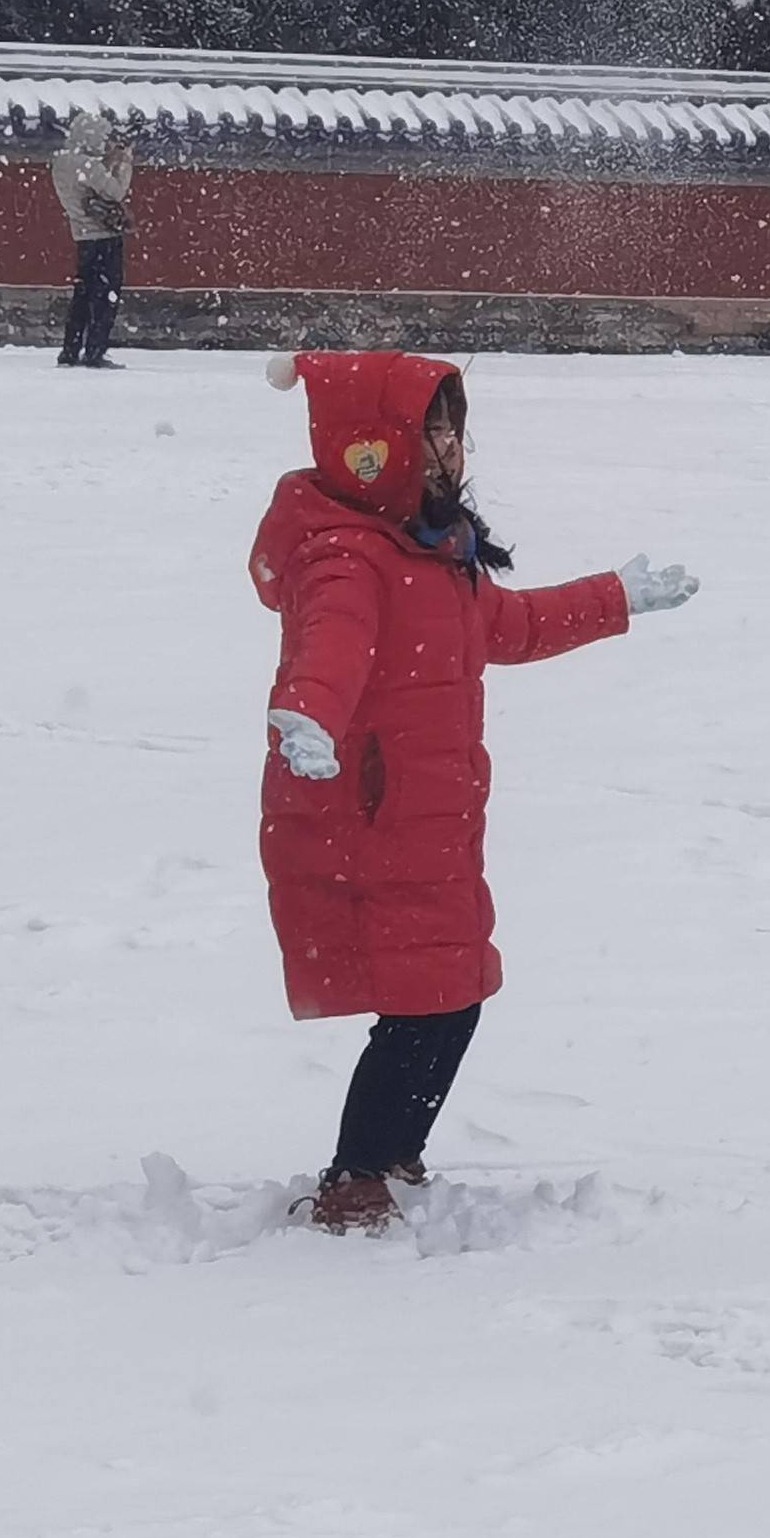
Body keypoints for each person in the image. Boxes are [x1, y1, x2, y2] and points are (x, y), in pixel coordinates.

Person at [250, 349, 701, 1234]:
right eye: (429, 433)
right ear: (370, 447)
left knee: (453, 992)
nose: (449, 451)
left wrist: (616, 597)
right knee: (430, 1003)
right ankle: (355, 1177)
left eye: (454, 432)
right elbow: (328, 646)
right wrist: (306, 715)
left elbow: (515, 626)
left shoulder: (435, 551)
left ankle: (388, 1154)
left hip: (431, 819)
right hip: (368, 814)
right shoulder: (350, 557)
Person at [50, 108, 136, 368]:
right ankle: (95, 351)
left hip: (82, 235)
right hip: (105, 236)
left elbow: (84, 188)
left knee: (82, 295)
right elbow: (116, 192)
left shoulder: (62, 162)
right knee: (105, 295)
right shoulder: (88, 165)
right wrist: (124, 164)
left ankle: (70, 349)